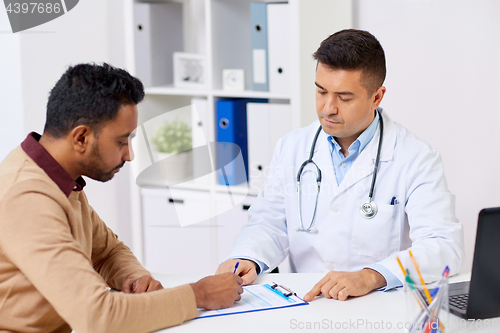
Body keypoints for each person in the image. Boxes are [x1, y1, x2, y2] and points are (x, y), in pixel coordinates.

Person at [216, 29, 464, 302]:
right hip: (306, 303)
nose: (328, 108)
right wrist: (246, 257)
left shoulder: (416, 158)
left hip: (377, 306)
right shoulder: (292, 147)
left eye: (344, 98)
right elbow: (269, 223)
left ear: (377, 97)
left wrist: (372, 276)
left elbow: (444, 246)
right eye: (321, 91)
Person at [0, 63, 243, 333]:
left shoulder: (59, 179)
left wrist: (134, 277)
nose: (129, 155)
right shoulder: (26, 197)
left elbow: (106, 252)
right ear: (81, 137)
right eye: (121, 141)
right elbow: (98, 316)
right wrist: (198, 295)